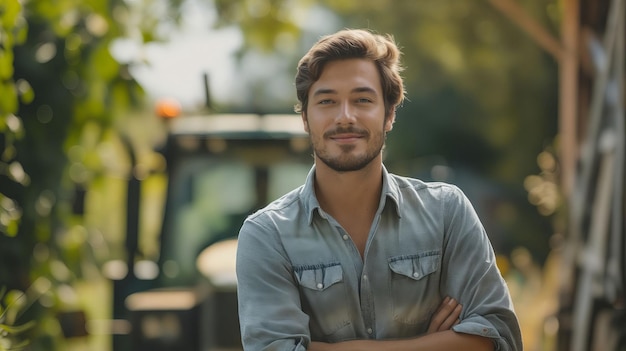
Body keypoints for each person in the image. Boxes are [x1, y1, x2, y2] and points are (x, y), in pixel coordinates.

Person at [236, 28, 522, 351]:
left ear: (389, 114)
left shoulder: (447, 212)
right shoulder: (266, 235)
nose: (345, 117)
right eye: (327, 101)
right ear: (305, 117)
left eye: (362, 99)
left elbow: (501, 337)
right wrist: (432, 343)